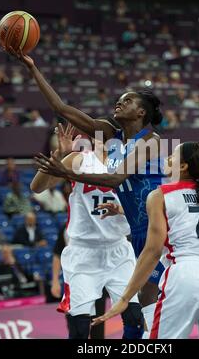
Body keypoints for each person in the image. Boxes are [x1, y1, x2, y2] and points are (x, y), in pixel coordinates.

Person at [9, 46, 165, 335]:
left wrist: (67, 172)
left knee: (143, 315)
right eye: (118, 100)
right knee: (114, 320)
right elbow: (62, 109)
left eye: (126, 101)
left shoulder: (151, 140)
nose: (118, 103)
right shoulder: (110, 133)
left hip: (150, 234)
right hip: (109, 241)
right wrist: (32, 68)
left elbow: (118, 179)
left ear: (142, 111)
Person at [92, 142, 199, 338]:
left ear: (183, 166)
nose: (167, 159)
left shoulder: (160, 195)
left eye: (173, 156)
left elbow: (153, 251)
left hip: (185, 277)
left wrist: (125, 297)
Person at [31, 123, 144, 339]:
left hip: (118, 249)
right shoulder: (80, 159)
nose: (104, 139)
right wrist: (60, 155)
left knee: (134, 318)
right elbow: (37, 187)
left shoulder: (131, 165)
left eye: (110, 135)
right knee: (80, 329)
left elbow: (143, 204)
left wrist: (120, 209)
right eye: (98, 134)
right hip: (84, 252)